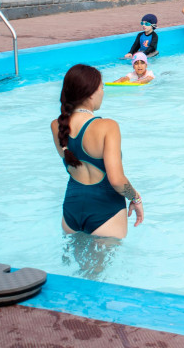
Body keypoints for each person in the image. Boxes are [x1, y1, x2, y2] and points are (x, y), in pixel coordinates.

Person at [50, 64, 144, 238]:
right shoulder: (107, 126)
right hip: (105, 212)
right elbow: (116, 180)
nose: (103, 92)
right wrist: (135, 198)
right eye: (102, 87)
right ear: (91, 93)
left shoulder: (56, 126)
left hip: (71, 210)